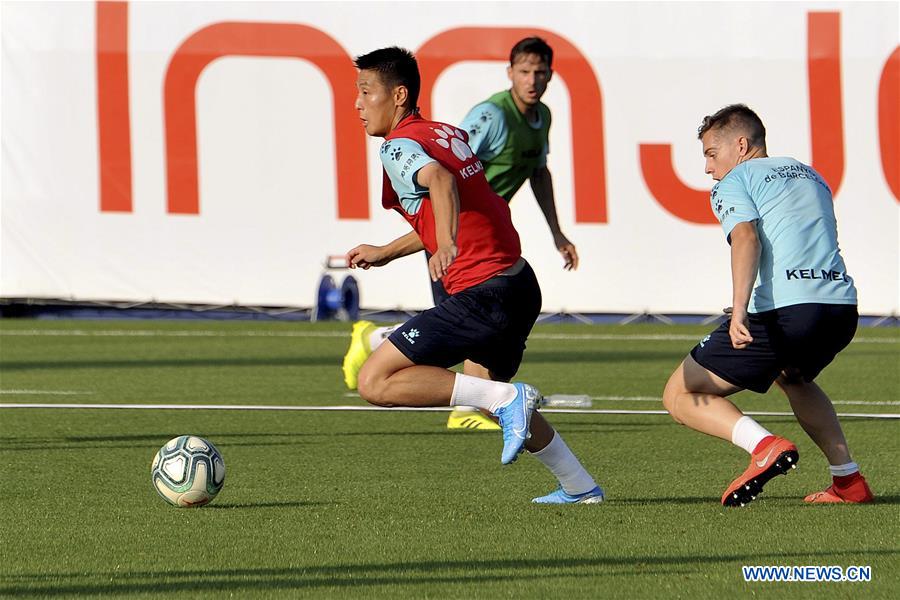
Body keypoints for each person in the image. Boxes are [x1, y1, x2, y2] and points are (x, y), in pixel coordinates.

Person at [346, 46, 603, 504]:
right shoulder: (443, 132)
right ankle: (580, 486)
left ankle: (506, 401)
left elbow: (442, 183)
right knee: (492, 393)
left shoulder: (399, 146)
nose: (358, 104)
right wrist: (388, 251)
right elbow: (462, 202)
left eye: (366, 92)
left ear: (399, 95)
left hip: (482, 292)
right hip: (519, 286)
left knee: (374, 382)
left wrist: (444, 243)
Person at [661, 104, 874, 507]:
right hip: (840, 308)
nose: (708, 168)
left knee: (680, 393)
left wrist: (740, 309)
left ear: (740, 145)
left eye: (710, 153)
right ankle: (849, 481)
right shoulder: (808, 173)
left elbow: (747, 239)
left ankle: (764, 447)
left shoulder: (735, 180)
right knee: (794, 378)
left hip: (788, 312)